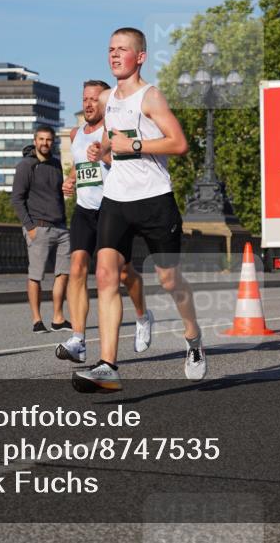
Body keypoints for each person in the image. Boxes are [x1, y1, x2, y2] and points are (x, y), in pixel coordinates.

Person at [73, 27, 203, 392]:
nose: (114, 55)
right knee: (105, 275)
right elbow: (109, 140)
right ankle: (108, 365)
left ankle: (193, 337)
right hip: (116, 200)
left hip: (154, 199)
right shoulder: (108, 99)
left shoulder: (151, 97)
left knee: (168, 280)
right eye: (110, 49)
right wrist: (103, 151)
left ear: (140, 57)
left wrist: (135, 144)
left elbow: (179, 143)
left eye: (122, 50)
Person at [56, 80, 153, 364]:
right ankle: (78, 340)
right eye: (85, 99)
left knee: (124, 274)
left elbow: (132, 163)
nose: (88, 104)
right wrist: (70, 180)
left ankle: (142, 315)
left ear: (105, 103)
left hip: (113, 210)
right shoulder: (75, 134)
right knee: (77, 267)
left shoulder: (114, 131)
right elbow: (78, 163)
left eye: (94, 99)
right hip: (85, 211)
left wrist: (105, 155)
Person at [11, 125, 71, 334]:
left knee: (63, 273)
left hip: (61, 228)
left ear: (52, 142)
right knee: (36, 276)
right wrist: (31, 228)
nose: (45, 143)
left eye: (48, 140)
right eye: (41, 139)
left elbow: (57, 196)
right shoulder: (26, 166)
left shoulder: (56, 164)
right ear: (35, 141)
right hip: (39, 227)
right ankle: (37, 320)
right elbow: (17, 199)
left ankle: (58, 317)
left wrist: (64, 221)